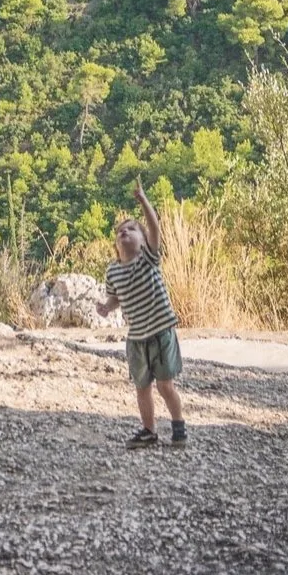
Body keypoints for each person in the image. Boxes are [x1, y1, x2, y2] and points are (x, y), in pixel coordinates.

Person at [96, 178, 189, 449]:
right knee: (142, 387)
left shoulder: (148, 257)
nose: (124, 232)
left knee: (165, 386)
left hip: (161, 331)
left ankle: (178, 425)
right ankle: (148, 430)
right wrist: (106, 307)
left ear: (142, 239)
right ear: (116, 245)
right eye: (120, 231)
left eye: (131, 229)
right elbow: (115, 297)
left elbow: (155, 226)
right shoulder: (113, 271)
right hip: (136, 338)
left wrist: (143, 200)